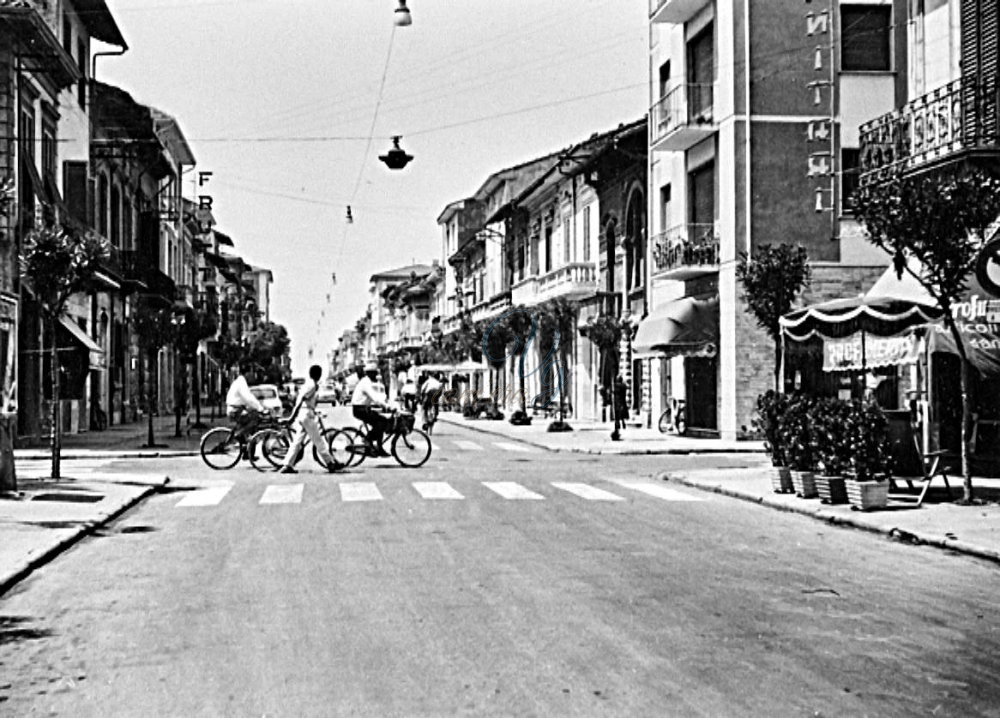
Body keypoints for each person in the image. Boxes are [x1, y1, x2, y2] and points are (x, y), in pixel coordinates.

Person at [279, 364, 338, 474]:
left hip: (304, 414)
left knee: (297, 442)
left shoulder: (308, 384)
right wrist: (292, 417)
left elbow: (305, 402)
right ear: (319, 375)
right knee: (318, 440)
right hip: (306, 415)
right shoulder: (312, 386)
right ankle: (330, 463)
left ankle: (287, 465)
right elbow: (301, 401)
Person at [352, 361, 392, 457]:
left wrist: (386, 404)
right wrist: (386, 406)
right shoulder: (366, 383)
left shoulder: (370, 382)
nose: (376, 375)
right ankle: (367, 439)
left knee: (382, 421)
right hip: (359, 409)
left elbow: (379, 397)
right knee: (381, 423)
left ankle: (379, 448)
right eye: (374, 373)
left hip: (364, 408)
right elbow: (374, 398)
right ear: (369, 373)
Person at [226, 365, 267, 440]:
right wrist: (260, 408)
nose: (253, 375)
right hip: (235, 411)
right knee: (256, 418)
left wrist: (257, 406)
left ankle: (246, 440)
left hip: (236, 409)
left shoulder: (240, 381)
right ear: (247, 373)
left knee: (252, 414)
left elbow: (249, 398)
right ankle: (239, 434)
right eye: (251, 372)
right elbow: (248, 397)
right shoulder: (241, 382)